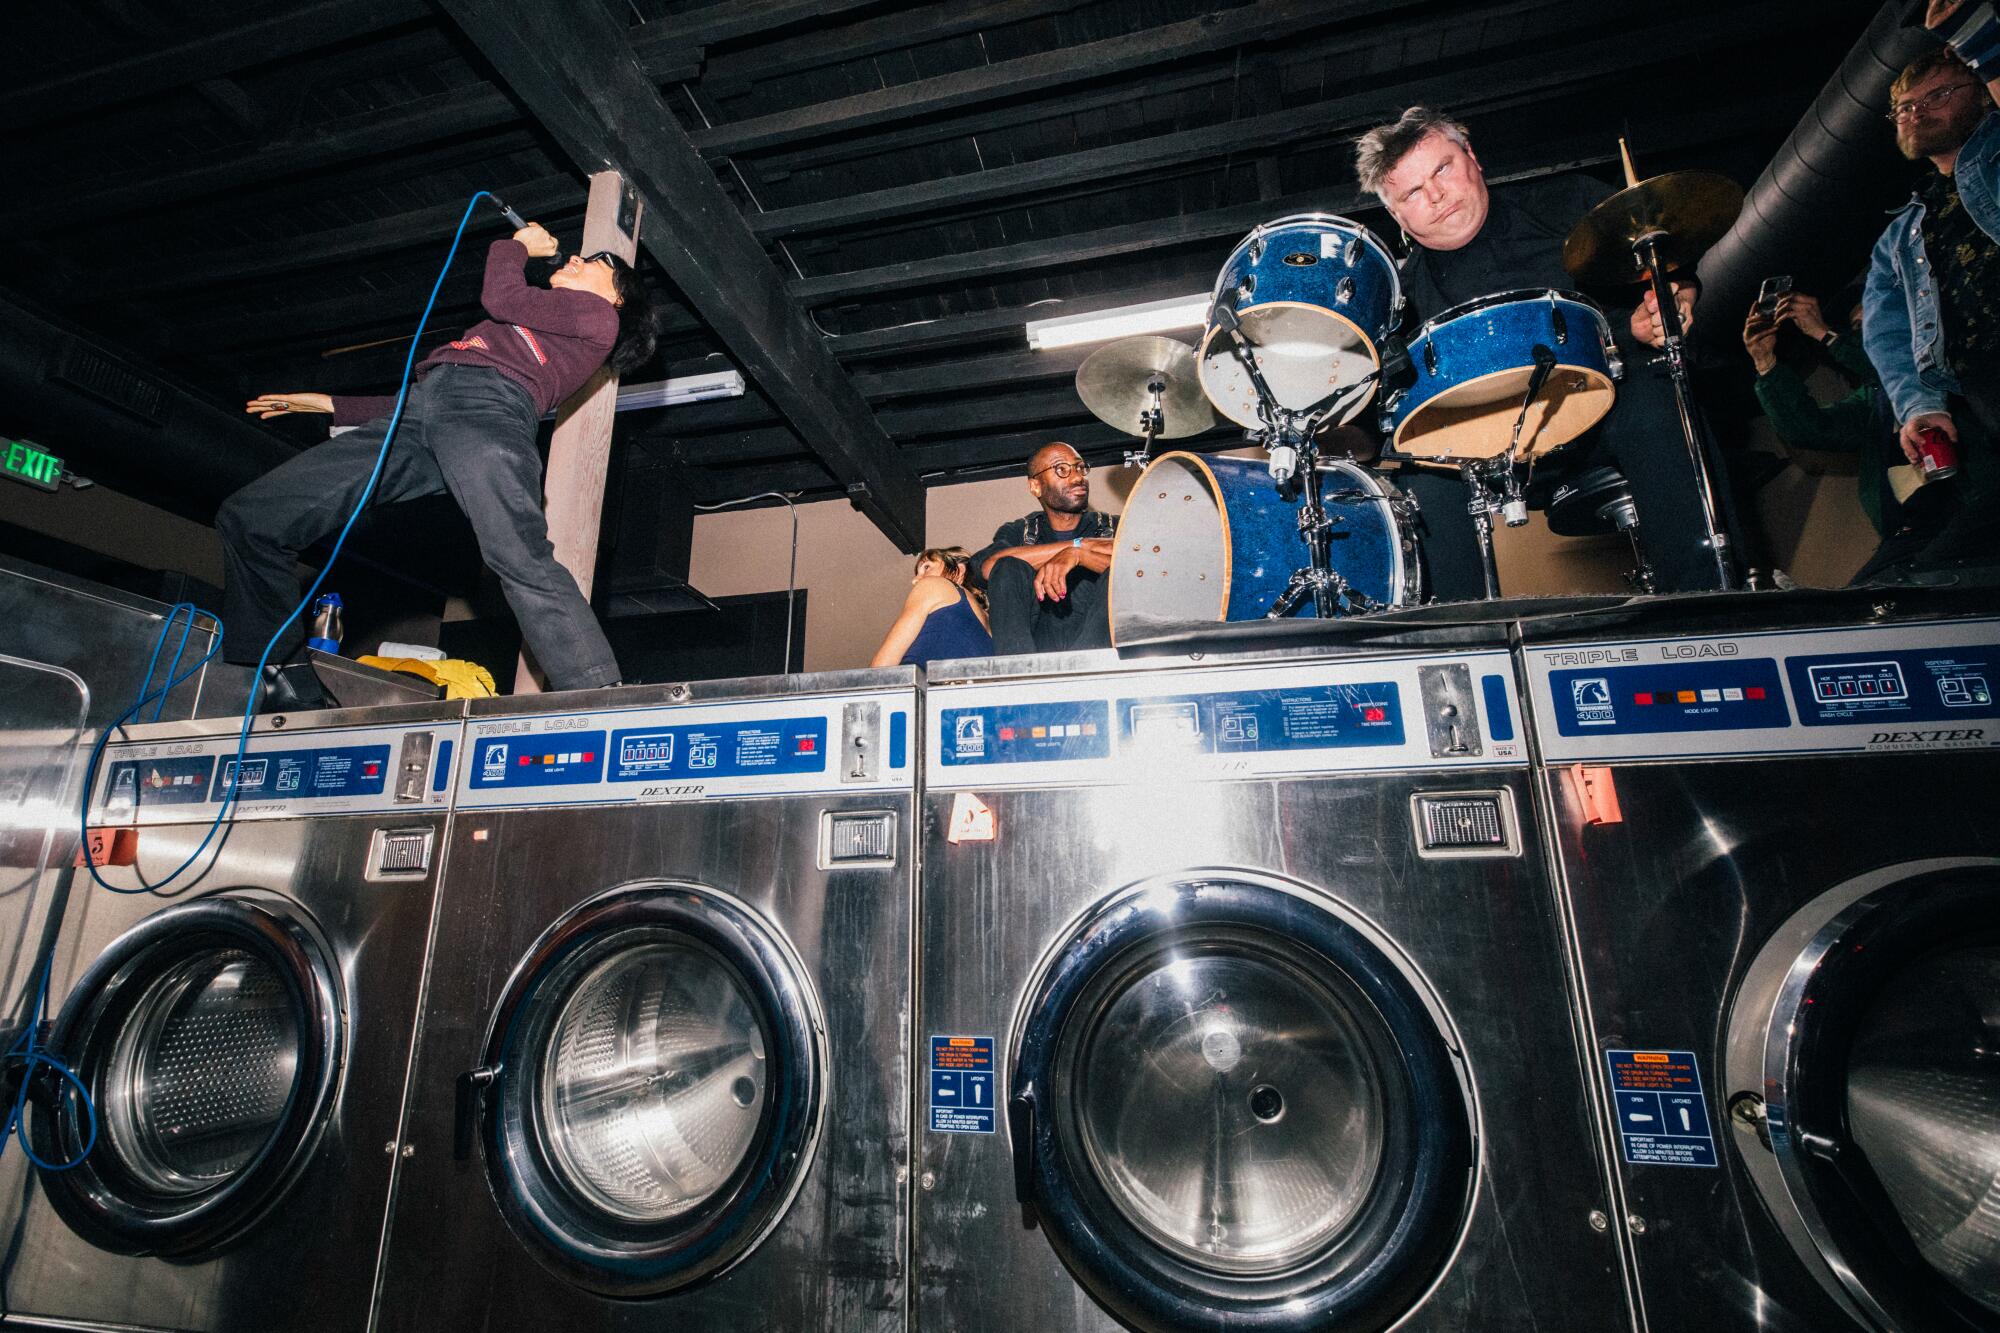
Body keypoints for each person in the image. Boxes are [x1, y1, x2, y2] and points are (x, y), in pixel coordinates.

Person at [219, 223, 659, 707]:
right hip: (425, 410)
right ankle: (283, 677)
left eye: (598, 263)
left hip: (491, 413)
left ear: (619, 300)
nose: (576, 259)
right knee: (252, 519)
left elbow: (500, 297)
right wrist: (330, 404)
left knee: (518, 554)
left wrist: (516, 246)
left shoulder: (599, 320)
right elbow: (434, 399)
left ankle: (598, 691)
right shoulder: (531, 328)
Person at [1352, 106, 1734, 597]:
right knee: (1417, 480)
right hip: (1481, 450)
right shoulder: (1396, 301)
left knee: (1660, 397)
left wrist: (1669, 302)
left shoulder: (1565, 204)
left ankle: (1710, 599)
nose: (1436, 195)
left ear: (1472, 157)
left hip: (1602, 410)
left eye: (1442, 169)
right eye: (1412, 193)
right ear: (1396, 213)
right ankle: (1465, 640)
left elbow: (1662, 264)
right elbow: (1380, 414)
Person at [1858, 14, 2000, 576]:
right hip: (1987, 383)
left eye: (1938, 94)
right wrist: (1920, 406)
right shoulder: (1900, 236)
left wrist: (1973, 33)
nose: (1917, 111)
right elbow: (1888, 331)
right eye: (1905, 106)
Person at [1744, 289, 1952, 582]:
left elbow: (1895, 367)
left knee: (1874, 587)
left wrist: (1824, 333)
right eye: (1857, 328)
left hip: (1968, 511)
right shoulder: (1873, 402)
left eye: (1875, 321)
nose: (1867, 334)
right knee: (1876, 592)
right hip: (1910, 536)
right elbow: (1809, 428)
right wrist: (1766, 363)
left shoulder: (1940, 369)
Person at [969, 441, 1118, 654]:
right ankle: (1018, 675)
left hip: (1098, 647)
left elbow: (1141, 565)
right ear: (1035, 486)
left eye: (1079, 467)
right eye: (1061, 470)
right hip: (1034, 649)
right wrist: (1077, 546)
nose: (1077, 478)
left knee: (1120, 571)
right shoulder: (1020, 531)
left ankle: (1086, 674)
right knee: (1008, 566)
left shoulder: (1113, 526)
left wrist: (1079, 557)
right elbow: (987, 567)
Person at [870, 547, 993, 668]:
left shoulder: (934, 585)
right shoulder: (991, 622)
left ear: (958, 571)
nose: (915, 580)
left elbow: (881, 667)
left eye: (927, 567)